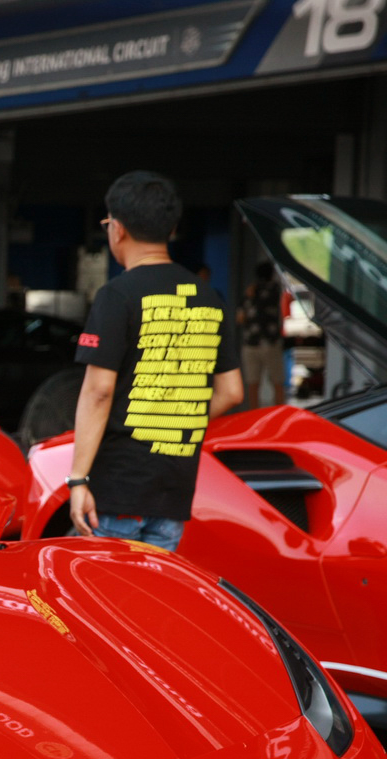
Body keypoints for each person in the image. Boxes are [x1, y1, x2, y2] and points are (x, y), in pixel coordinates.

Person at [67, 171, 244, 551]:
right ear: (172, 228)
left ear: (118, 229)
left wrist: (78, 479)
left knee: (97, 600)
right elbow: (231, 392)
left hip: (117, 487)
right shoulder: (209, 297)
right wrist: (174, 414)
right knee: (145, 600)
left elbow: (98, 391)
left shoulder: (117, 296)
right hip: (175, 488)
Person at [238, 261, 285, 409]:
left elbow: (240, 318)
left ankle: (253, 416)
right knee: (277, 382)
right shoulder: (276, 289)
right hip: (270, 342)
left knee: (253, 384)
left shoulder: (250, 291)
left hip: (251, 342)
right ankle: (279, 414)